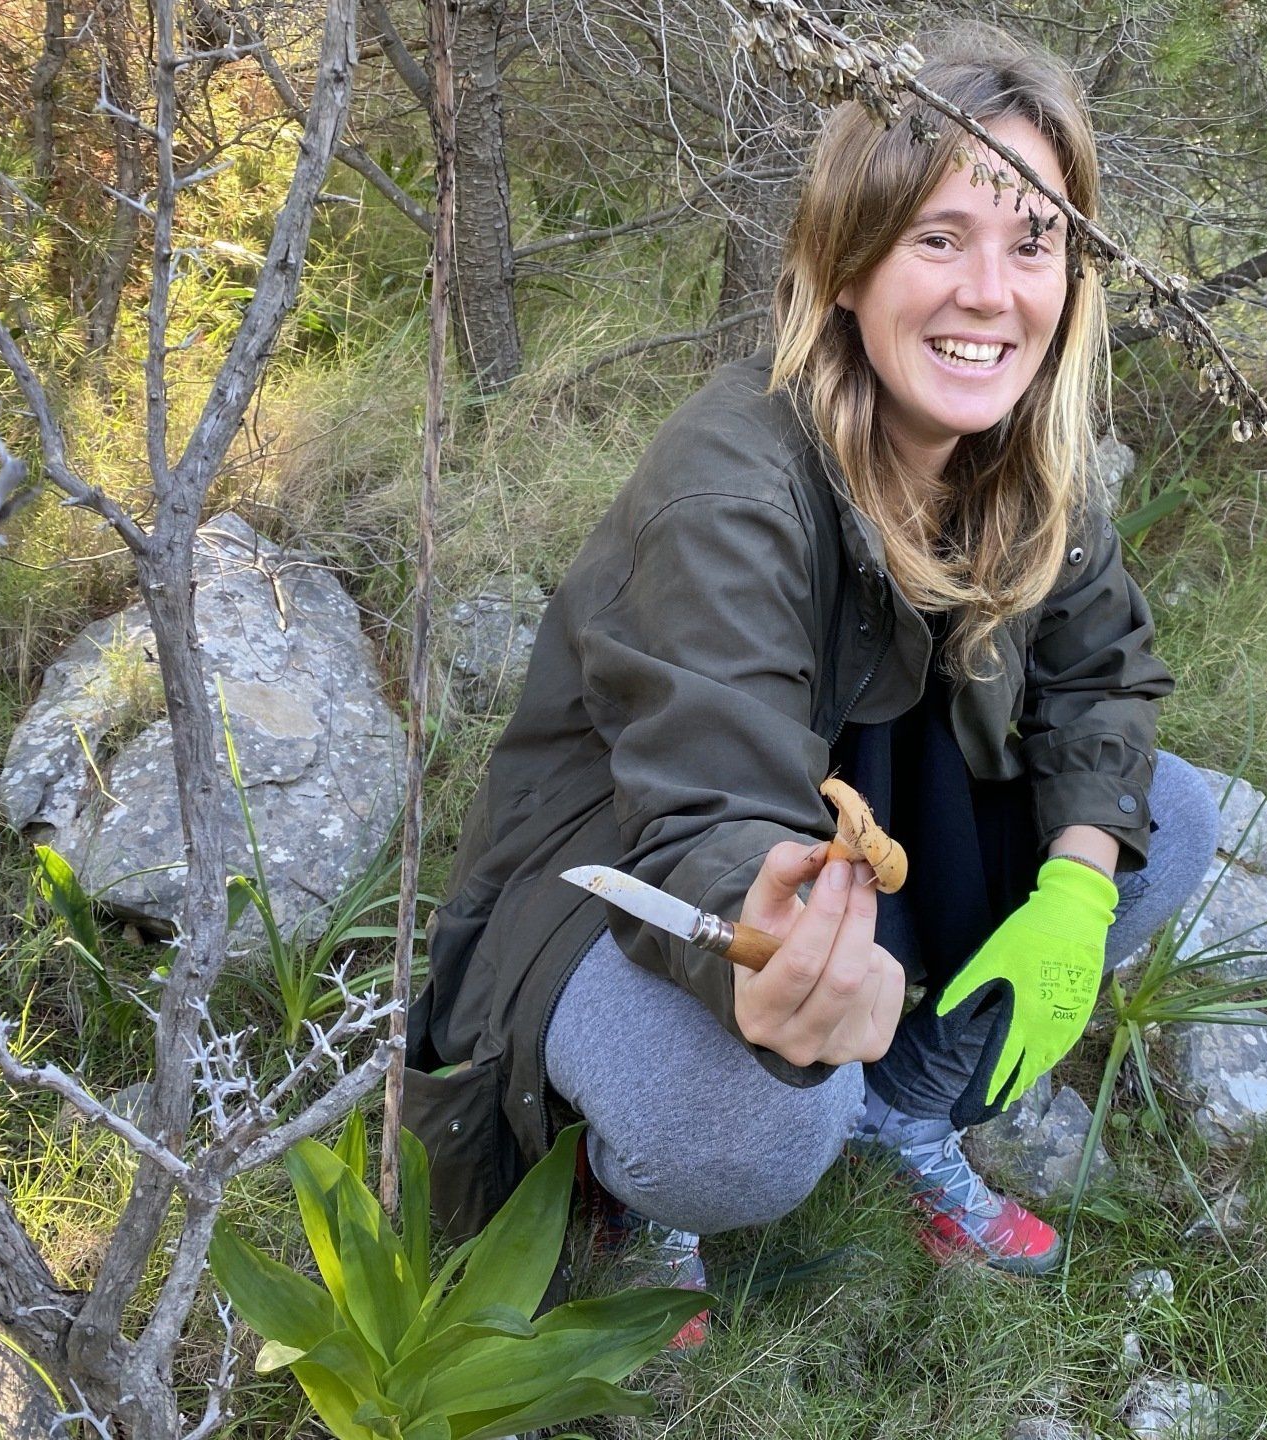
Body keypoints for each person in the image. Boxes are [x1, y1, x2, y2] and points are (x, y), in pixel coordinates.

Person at [403, 30, 1218, 1333]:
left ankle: (900, 1115)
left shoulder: (1025, 460)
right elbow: (703, 809)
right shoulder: (733, 483)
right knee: (753, 1127)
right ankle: (638, 1190)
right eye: (939, 238)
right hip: (631, 887)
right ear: (848, 260)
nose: (990, 293)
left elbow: (1105, 673)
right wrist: (765, 956)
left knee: (1163, 824)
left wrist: (1071, 885)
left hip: (867, 848)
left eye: (1032, 242)